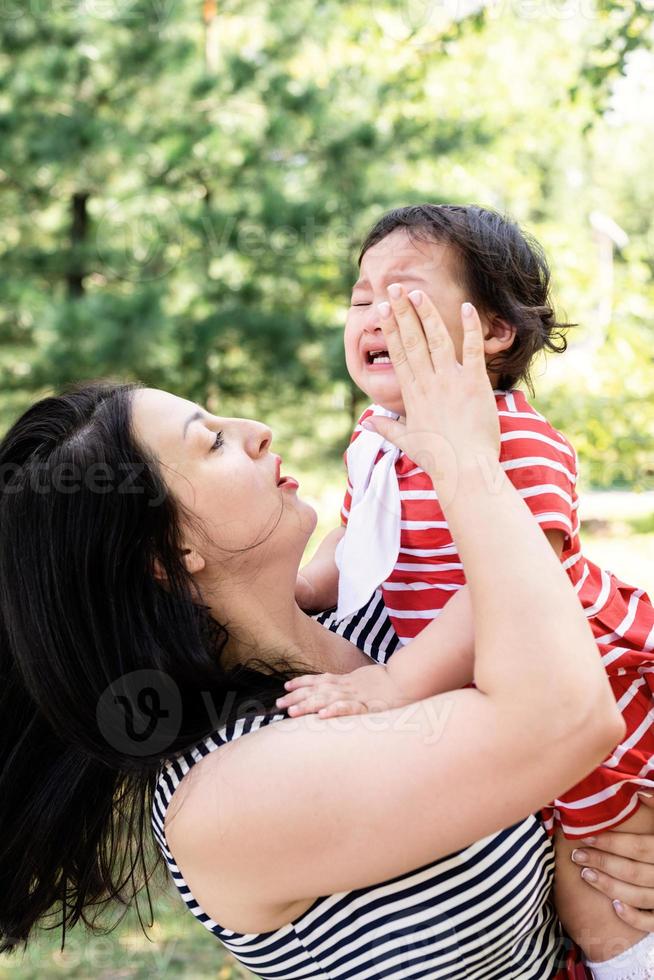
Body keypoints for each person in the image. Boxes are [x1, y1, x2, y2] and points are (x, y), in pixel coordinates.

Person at [0, 299, 646, 979]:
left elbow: (588, 719)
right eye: (212, 441)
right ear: (168, 553)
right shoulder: (223, 796)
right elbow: (566, 719)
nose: (257, 430)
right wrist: (468, 464)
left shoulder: (387, 623)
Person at [290, 205, 654, 973]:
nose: (373, 313)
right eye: (361, 298)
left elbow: (505, 588)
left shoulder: (515, 438)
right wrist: (296, 588)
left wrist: (395, 682)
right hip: (485, 696)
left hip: (585, 687)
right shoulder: (372, 436)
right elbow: (354, 545)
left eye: (405, 293)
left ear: (494, 332)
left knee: (597, 884)